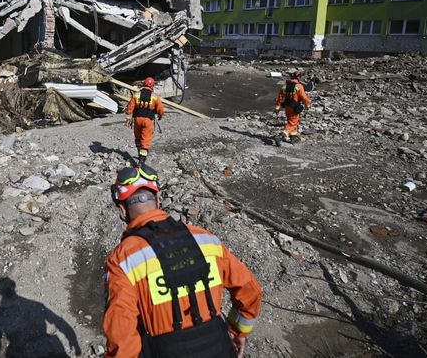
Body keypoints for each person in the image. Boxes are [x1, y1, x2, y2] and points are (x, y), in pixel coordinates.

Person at [104, 166, 262, 358]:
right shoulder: (205, 239)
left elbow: (121, 333)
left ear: (122, 209)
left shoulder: (123, 259)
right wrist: (238, 330)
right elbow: (249, 290)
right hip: (220, 347)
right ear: (158, 200)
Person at [124, 77, 165, 167]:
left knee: (138, 138)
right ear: (152, 86)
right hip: (148, 121)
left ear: (143, 84)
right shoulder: (155, 96)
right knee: (145, 140)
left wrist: (128, 116)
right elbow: (160, 109)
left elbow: (130, 107)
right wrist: (161, 115)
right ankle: (141, 161)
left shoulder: (136, 94)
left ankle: (139, 154)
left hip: (137, 120)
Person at [274, 69, 311, 145]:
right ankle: (280, 136)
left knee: (292, 121)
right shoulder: (299, 86)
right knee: (292, 122)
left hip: (287, 107)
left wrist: (277, 108)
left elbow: (279, 98)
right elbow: (304, 98)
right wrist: (307, 105)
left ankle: (293, 137)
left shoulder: (284, 86)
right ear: (297, 77)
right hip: (295, 107)